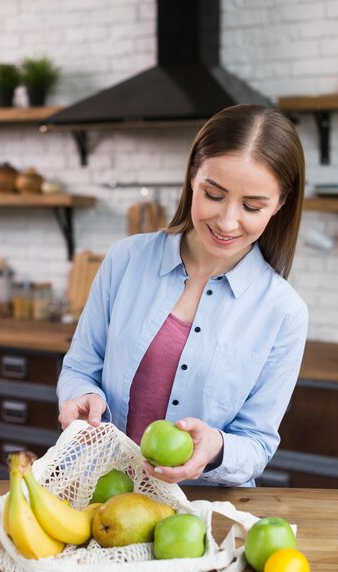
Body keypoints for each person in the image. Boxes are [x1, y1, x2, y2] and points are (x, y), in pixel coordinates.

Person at [57, 104, 308, 487]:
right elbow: (80, 366)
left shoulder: (284, 312)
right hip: (100, 489)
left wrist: (216, 447)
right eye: (214, 194)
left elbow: (257, 442)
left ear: (280, 204)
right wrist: (80, 395)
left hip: (204, 512)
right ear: (193, 176)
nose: (226, 222)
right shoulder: (126, 259)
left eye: (251, 206)